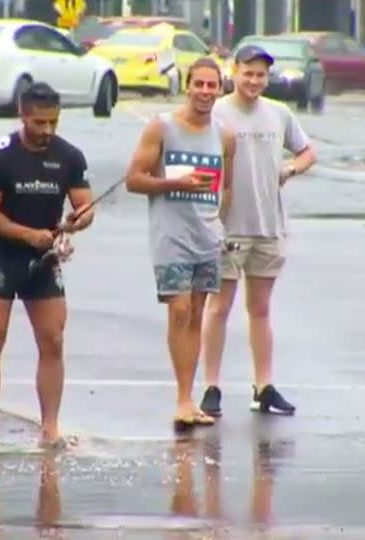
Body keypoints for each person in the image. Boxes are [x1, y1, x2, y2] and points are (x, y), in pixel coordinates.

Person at [0, 82, 94, 452]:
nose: (47, 131)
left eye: (53, 122)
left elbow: (85, 206)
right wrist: (27, 235)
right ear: (22, 116)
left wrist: (77, 222)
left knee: (53, 340)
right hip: (1, 255)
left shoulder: (69, 156)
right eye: (39, 123)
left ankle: (50, 428)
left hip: (45, 258)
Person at [198, 44, 316, 418]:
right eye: (247, 73)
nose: (253, 80)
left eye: (260, 74)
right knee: (219, 306)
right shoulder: (216, 112)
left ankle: (263, 386)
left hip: (268, 225)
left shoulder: (278, 114)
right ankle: (211, 385)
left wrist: (290, 169)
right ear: (233, 72)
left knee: (261, 309)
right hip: (227, 225)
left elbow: (307, 152)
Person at [125, 57, 236, 431]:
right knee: (179, 311)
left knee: (197, 314)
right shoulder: (162, 127)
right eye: (199, 84)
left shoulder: (224, 135)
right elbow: (134, 180)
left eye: (212, 85)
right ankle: (183, 398)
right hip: (170, 235)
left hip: (208, 237)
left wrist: (219, 222)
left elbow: (228, 186)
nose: (205, 92)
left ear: (221, 90)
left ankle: (190, 396)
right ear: (187, 86)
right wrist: (176, 184)